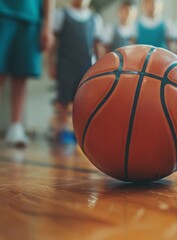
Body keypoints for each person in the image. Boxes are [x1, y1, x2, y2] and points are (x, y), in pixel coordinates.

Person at [0, 0, 54, 147]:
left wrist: (48, 25)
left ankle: (16, 127)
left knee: (21, 73)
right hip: (2, 12)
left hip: (30, 15)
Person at [49, 0, 103, 144]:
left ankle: (79, 132)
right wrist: (50, 63)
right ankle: (60, 130)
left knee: (82, 101)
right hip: (65, 65)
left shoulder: (95, 19)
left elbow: (97, 47)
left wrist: (100, 68)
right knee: (63, 100)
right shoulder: (61, 14)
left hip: (85, 67)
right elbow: (54, 43)